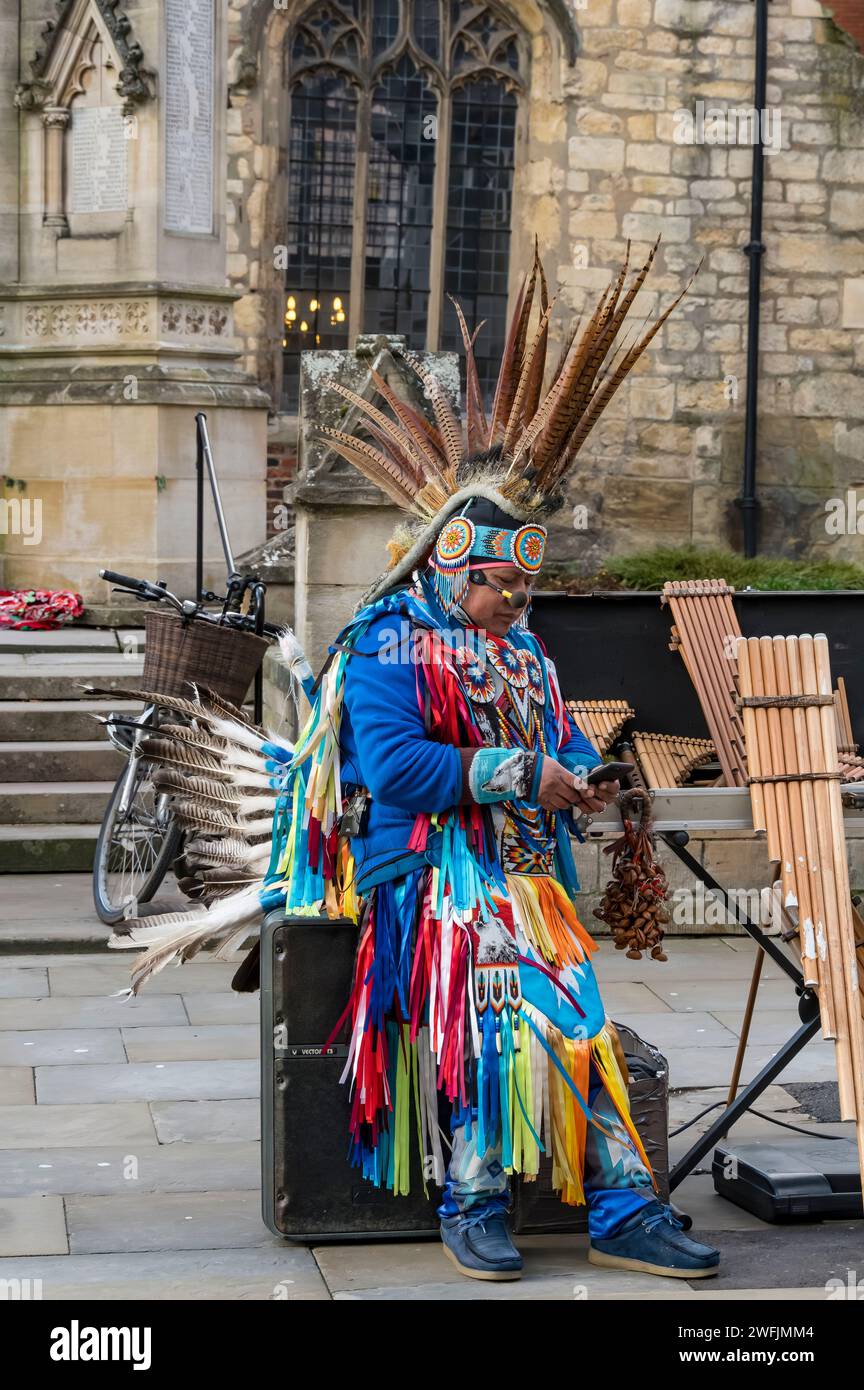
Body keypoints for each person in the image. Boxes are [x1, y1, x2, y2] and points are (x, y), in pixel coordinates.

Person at [113, 239, 719, 1281]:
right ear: (452, 566)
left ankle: (623, 1205)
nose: (516, 604)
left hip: (527, 874)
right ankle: (473, 1195)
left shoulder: (519, 644)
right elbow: (393, 768)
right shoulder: (388, 642)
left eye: (522, 590)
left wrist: (587, 772)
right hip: (426, 874)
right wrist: (518, 775)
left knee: (577, 1015)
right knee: (491, 1009)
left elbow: (555, 730)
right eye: (499, 587)